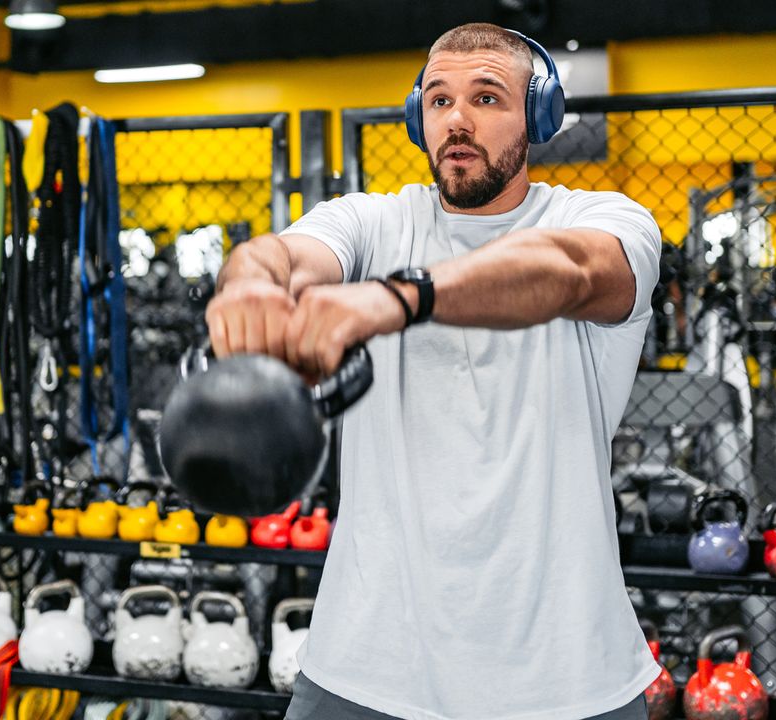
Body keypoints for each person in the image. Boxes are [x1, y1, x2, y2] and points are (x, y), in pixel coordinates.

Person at [207, 22, 662, 720]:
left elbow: (566, 272)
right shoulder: (371, 221)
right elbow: (283, 255)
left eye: (486, 97)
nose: (457, 119)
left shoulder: (600, 219)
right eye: (440, 99)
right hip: (364, 666)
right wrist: (249, 284)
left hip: (563, 677)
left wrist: (399, 299)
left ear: (538, 116)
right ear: (418, 116)